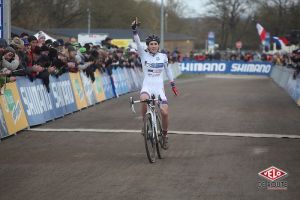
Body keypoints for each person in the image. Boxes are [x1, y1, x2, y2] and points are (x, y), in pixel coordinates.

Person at [131, 17, 178, 149]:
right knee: (143, 99)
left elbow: (168, 70)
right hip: (147, 86)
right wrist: (134, 30)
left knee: (164, 113)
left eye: (155, 44)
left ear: (158, 45)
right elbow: (137, 41)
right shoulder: (143, 54)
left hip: (159, 88)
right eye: (151, 44)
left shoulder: (163, 56)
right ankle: (144, 124)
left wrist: (173, 84)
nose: (153, 46)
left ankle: (165, 135)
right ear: (148, 46)